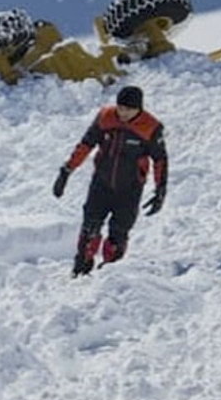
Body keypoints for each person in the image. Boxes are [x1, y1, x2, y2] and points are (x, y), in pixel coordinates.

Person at [53, 86, 168, 277]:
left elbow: (160, 160)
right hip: (101, 184)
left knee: (118, 234)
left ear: (139, 108)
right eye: (120, 108)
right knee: (90, 227)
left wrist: (160, 190)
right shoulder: (105, 117)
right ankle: (81, 267)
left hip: (130, 189)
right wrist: (67, 171)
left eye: (129, 110)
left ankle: (110, 275)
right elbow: (86, 145)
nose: (123, 113)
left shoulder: (151, 127)